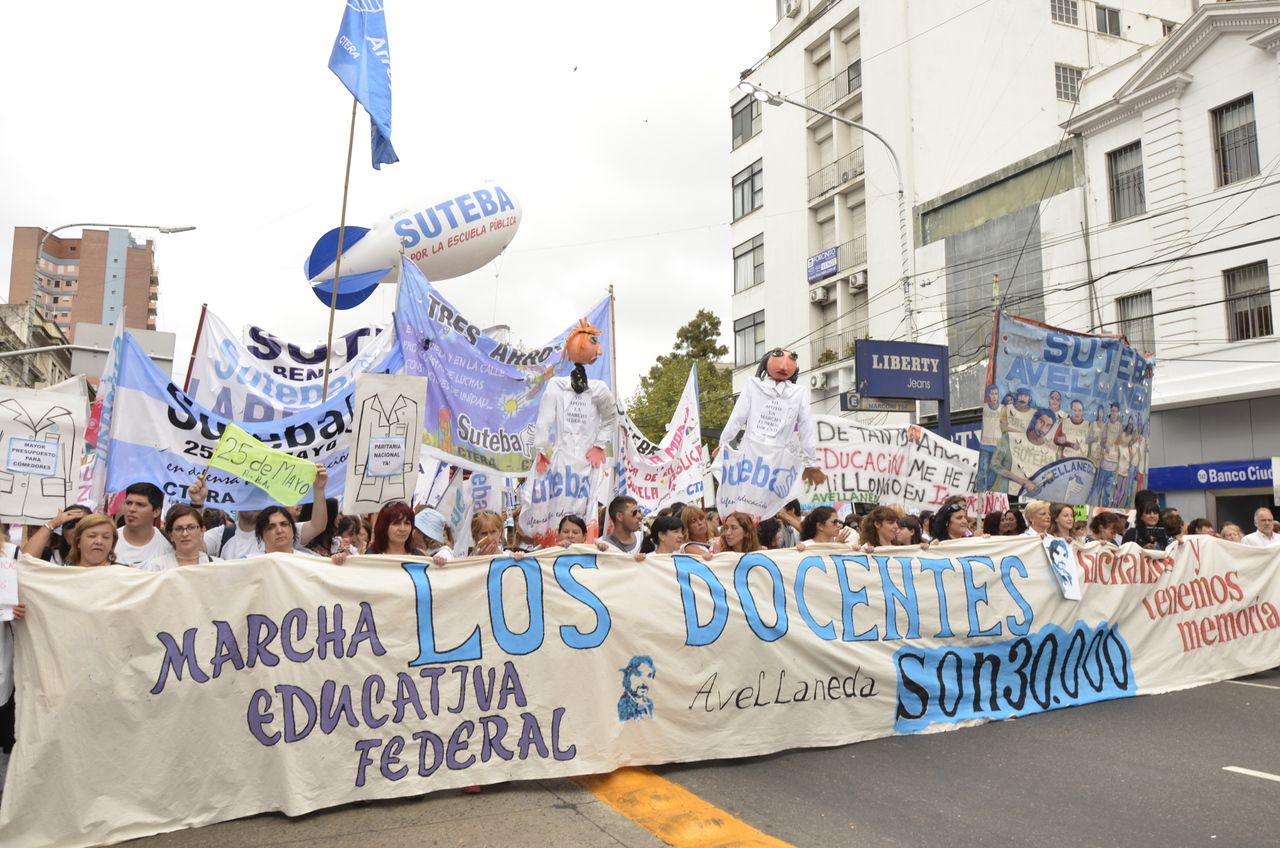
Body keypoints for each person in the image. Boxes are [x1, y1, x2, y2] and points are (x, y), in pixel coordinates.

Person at [196, 466, 330, 558]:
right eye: (249, 499)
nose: (255, 504)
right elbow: (194, 547)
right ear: (238, 501)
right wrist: (197, 503)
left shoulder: (280, 530)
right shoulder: (221, 535)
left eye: (259, 499)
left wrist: (319, 489)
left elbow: (317, 525)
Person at [114, 483, 173, 566]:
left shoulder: (169, 544)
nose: (132, 509)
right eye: (128, 503)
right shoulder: (108, 541)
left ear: (156, 512)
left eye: (140, 504)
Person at [143, 506, 217, 571]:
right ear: (171, 535)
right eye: (178, 529)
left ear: (202, 530)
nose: (185, 534)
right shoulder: (156, 566)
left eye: (191, 527)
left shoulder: (217, 565)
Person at [21, 503, 92, 564]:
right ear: (63, 530)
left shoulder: (98, 555)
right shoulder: (52, 556)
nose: (76, 529)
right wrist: (53, 524)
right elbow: (25, 560)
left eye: (83, 524)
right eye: (69, 524)